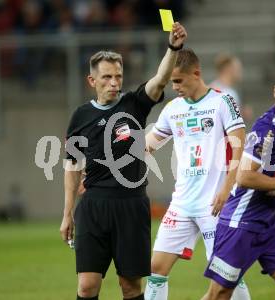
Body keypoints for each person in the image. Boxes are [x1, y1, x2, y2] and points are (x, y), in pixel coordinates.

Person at [59, 22, 187, 300]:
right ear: (92, 81)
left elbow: (160, 80)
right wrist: (67, 212)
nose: (114, 82)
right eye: (106, 77)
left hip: (131, 205)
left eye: (118, 76)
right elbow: (72, 167)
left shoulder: (133, 105)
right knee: (87, 286)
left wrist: (173, 48)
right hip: (93, 207)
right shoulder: (80, 117)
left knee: (130, 287)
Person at [144, 49, 251, 300]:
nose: (175, 87)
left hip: (215, 203)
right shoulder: (173, 109)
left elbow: (239, 146)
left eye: (179, 80)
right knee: (156, 268)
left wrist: (226, 189)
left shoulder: (223, 102)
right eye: (172, 81)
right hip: (181, 204)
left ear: (197, 73)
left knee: (226, 274)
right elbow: (148, 144)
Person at [202, 63, 275, 300]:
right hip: (241, 222)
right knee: (219, 295)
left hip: (270, 224)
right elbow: (244, 177)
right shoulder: (266, 129)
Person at [210, 53, 253, 122]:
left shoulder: (229, 90)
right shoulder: (218, 91)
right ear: (228, 69)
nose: (240, 73)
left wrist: (241, 113)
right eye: (238, 69)